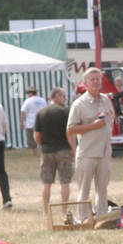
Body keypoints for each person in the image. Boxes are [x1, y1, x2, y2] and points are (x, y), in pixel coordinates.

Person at [66, 68, 113, 220]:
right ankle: (84, 219)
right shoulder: (79, 104)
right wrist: (92, 126)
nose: (95, 82)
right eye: (92, 79)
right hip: (87, 152)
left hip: (104, 152)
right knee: (84, 189)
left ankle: (101, 218)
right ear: (85, 83)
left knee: (102, 189)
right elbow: (71, 129)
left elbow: (110, 120)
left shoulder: (106, 100)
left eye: (97, 79)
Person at [34, 87, 73, 223]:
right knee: (65, 182)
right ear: (56, 96)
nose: (64, 99)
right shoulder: (65, 112)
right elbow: (70, 133)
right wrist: (73, 149)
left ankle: (46, 212)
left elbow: (37, 135)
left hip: (46, 151)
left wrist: (43, 145)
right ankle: (64, 210)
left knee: (46, 182)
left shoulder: (41, 113)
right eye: (63, 96)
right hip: (63, 150)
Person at [20, 88, 47, 155]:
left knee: (31, 139)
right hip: (42, 122)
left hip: (31, 123)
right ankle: (43, 151)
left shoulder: (27, 101)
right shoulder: (42, 100)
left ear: (30, 93)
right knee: (42, 138)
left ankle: (35, 153)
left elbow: (23, 112)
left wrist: (21, 122)